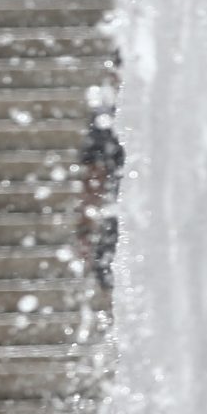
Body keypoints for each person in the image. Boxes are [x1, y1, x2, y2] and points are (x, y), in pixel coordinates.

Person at [75, 106, 124, 293]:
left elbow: (94, 176)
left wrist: (85, 227)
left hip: (122, 219)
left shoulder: (109, 117)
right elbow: (94, 172)